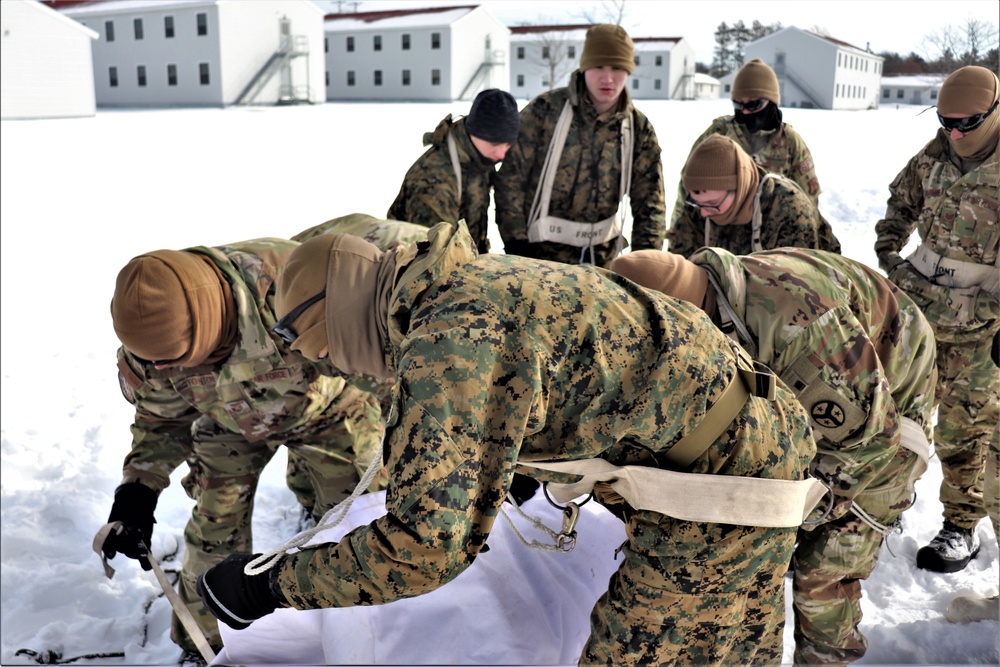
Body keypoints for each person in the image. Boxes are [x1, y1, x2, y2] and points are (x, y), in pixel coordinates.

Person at [196, 219, 822, 666]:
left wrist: (272, 585)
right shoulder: (459, 285)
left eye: (330, 349)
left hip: (723, 490)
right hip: (753, 442)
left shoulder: (449, 338)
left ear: (345, 315)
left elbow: (422, 547)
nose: (346, 370)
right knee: (733, 645)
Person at [610, 247, 938, 665]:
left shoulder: (794, 324)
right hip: (826, 398)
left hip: (887, 412)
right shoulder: (715, 302)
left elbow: (874, 438)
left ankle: (825, 657)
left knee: (824, 566)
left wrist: (807, 512)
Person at [93, 237, 384, 658]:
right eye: (153, 362)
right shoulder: (150, 346)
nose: (161, 370)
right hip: (226, 420)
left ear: (206, 328)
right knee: (214, 532)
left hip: (329, 411)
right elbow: (161, 417)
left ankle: (360, 638)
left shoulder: (292, 290)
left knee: (359, 520)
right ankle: (206, 643)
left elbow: (387, 368)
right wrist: (137, 492)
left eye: (172, 359)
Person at [874, 65, 1000, 574]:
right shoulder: (934, 154)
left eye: (966, 123)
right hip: (921, 313)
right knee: (896, 413)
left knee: (967, 430)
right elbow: (899, 206)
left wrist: (987, 310)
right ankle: (882, 507)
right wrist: (891, 258)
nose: (953, 133)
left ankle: (962, 526)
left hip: (981, 327)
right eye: (945, 120)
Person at [494, 23, 666, 268]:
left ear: (628, 70)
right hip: (536, 261)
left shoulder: (638, 129)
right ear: (584, 67)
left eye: (617, 68)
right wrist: (516, 242)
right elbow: (510, 180)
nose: (607, 78)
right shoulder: (545, 112)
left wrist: (645, 265)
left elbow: (651, 204)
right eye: (598, 67)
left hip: (602, 266)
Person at [667, 57, 822, 234]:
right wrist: (677, 237)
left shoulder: (790, 142)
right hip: (719, 239)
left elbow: (808, 203)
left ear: (771, 102)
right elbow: (688, 191)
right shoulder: (718, 134)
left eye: (754, 104)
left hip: (770, 241)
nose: (745, 111)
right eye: (738, 104)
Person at [387, 88, 520, 254]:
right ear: (474, 132)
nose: (501, 154)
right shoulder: (434, 179)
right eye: (494, 144)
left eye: (507, 145)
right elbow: (429, 258)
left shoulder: (478, 159)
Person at [667, 134, 841, 257]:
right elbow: (681, 268)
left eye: (712, 203)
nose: (703, 213)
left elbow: (797, 291)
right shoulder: (698, 208)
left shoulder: (790, 210)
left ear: (740, 187)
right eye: (697, 204)